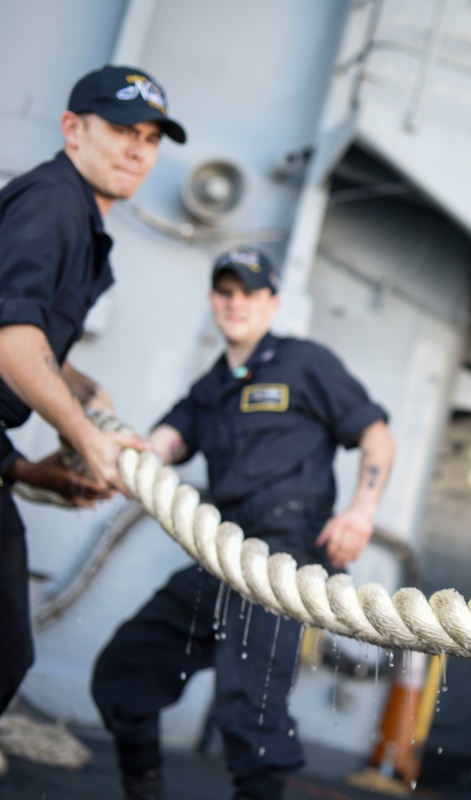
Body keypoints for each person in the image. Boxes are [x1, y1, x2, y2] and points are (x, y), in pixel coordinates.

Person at [91, 246, 396, 800]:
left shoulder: (305, 363)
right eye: (226, 292)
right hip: (222, 554)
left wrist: (362, 511)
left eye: (249, 293)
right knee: (125, 667)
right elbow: (164, 443)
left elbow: (376, 435)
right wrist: (120, 459)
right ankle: (144, 789)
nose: (236, 303)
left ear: (272, 302)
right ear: (213, 300)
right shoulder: (212, 387)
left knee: (248, 706)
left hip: (284, 553)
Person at [0, 64, 186, 716]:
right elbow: (10, 340)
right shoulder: (54, 203)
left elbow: (31, 347)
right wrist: (85, 437)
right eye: (122, 130)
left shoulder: (78, 219)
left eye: (152, 137)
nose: (139, 149)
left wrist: (83, 395)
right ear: (73, 129)